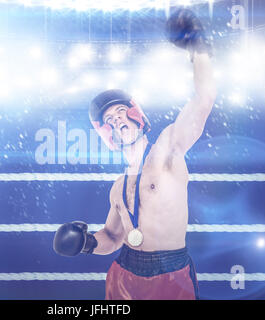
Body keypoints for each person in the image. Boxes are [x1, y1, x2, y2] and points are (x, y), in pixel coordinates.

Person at [53, 8, 216, 300]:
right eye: (111, 120)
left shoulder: (167, 150)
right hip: (124, 273)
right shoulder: (117, 188)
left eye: (120, 112)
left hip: (171, 273)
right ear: (108, 133)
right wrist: (87, 243)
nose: (118, 120)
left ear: (136, 115)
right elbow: (113, 237)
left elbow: (204, 100)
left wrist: (199, 49)